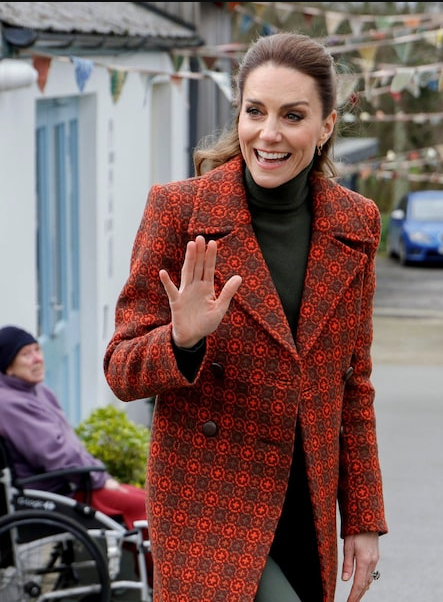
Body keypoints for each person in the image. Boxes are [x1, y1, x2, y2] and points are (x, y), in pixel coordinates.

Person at [103, 31, 388, 602]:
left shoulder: (357, 222)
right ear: (239, 114)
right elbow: (121, 369)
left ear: (327, 126)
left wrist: (362, 516)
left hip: (305, 503)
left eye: (293, 115)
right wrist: (181, 341)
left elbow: (353, 383)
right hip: (210, 504)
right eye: (255, 111)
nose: (269, 133)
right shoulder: (179, 210)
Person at [0, 324, 153, 585]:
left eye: (37, 350)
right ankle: (156, 582)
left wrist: (98, 473)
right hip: (60, 491)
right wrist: (99, 478)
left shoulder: (36, 390)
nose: (37, 359)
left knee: (145, 500)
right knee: (144, 508)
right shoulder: (9, 403)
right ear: (7, 366)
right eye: (26, 354)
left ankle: (151, 575)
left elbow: (70, 445)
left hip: (75, 481)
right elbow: (55, 455)